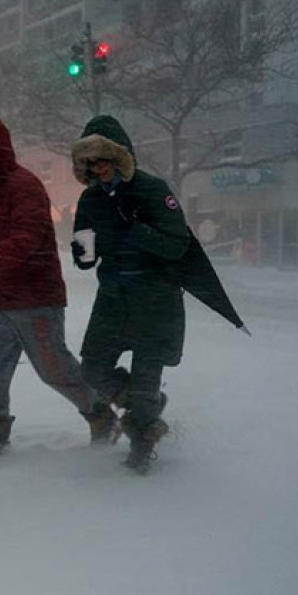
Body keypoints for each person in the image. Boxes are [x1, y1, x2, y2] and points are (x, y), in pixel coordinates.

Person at [0, 117, 116, 455]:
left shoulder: (25, 187)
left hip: (38, 295)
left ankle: (100, 415)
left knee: (53, 369)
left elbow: (27, 239)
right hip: (3, 296)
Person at [69, 115, 191, 474]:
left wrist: (138, 232)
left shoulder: (152, 191)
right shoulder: (90, 199)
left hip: (156, 299)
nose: (96, 170)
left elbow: (178, 245)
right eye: (88, 164)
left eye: (102, 161)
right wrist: (82, 252)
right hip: (113, 298)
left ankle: (140, 451)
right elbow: (84, 256)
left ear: (120, 157)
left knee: (145, 378)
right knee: (92, 368)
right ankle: (142, 405)